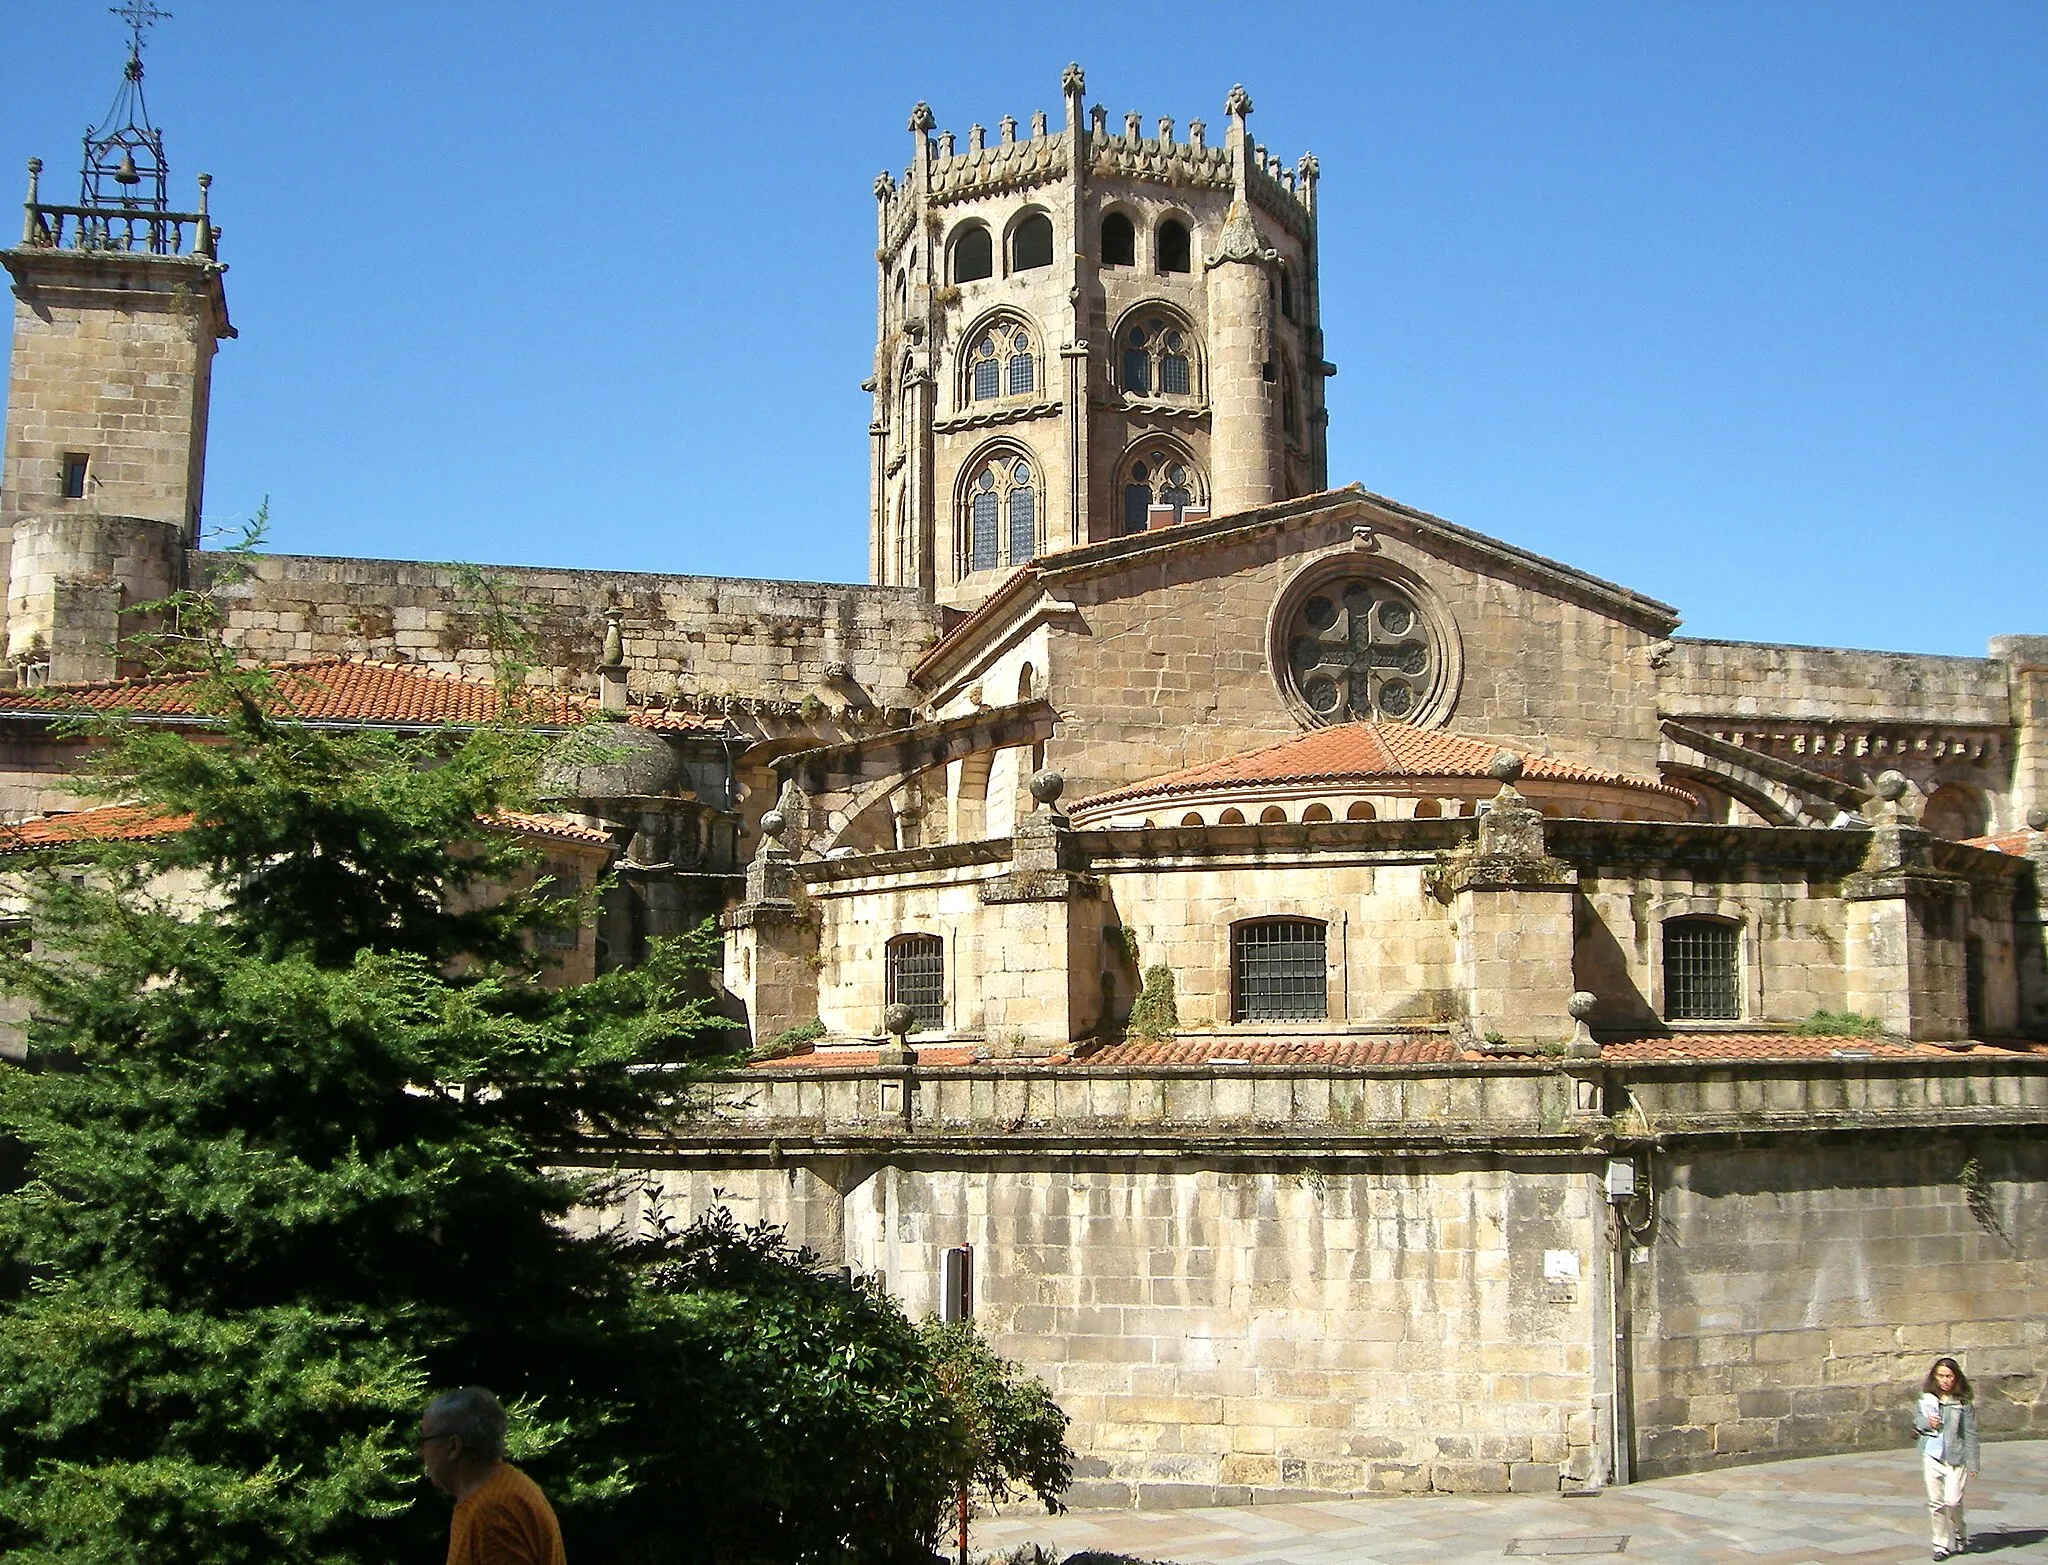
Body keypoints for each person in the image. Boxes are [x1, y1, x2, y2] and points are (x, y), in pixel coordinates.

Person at [418, 1386, 567, 1565]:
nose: (420, 1452)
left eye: (424, 1440)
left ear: (453, 1447)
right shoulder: (503, 1487)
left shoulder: (492, 1513)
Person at [1914, 1357, 1979, 1560]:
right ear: (1935, 1377)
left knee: (1952, 1501)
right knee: (1936, 1502)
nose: (1945, 1380)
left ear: (1956, 1378)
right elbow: (1917, 1422)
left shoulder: (1962, 1403)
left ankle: (1960, 1535)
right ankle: (1940, 1544)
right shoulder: (1927, 1398)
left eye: (1949, 1376)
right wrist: (1927, 1422)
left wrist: (1973, 1463)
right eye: (1941, 1376)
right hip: (1932, 1454)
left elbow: (1970, 1434)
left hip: (1955, 1457)